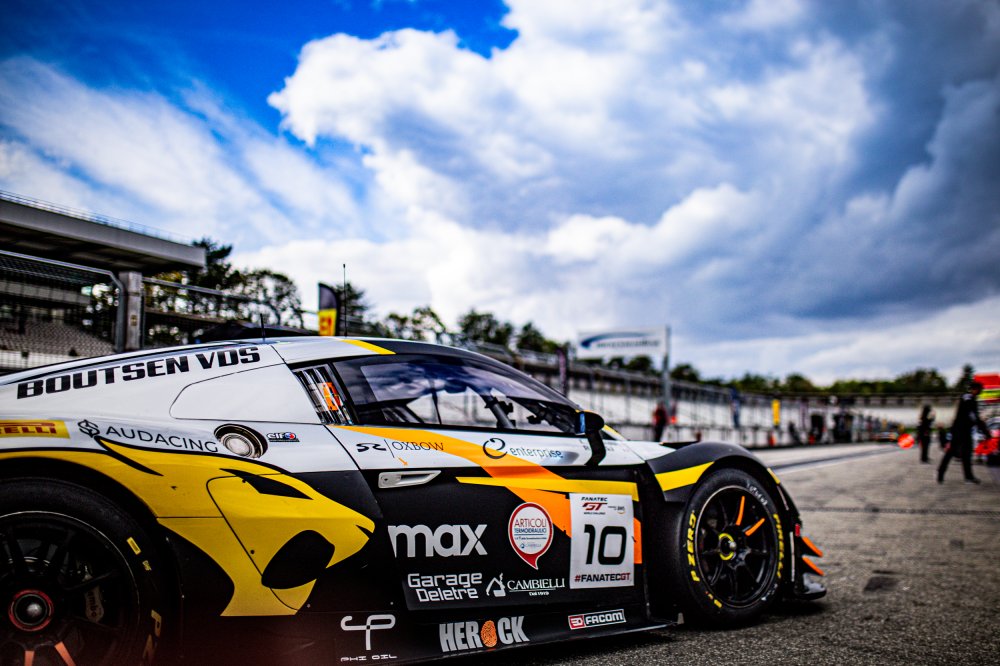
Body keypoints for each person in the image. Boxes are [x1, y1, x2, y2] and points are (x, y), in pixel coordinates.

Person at [938, 382, 990, 484]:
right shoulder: (967, 398)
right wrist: (985, 431)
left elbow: (974, 417)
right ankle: (941, 473)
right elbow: (973, 416)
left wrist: (983, 429)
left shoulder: (972, 399)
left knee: (966, 454)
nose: (980, 391)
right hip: (959, 431)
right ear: (974, 389)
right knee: (951, 452)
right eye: (979, 389)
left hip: (965, 431)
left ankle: (968, 477)